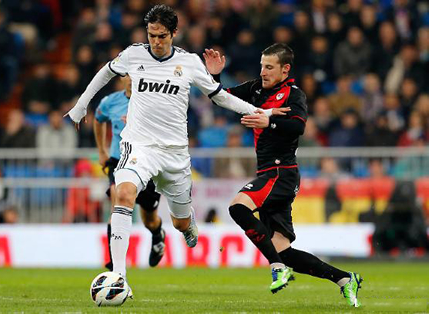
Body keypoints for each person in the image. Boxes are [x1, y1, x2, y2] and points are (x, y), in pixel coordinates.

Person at [65, 5, 286, 294]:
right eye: (152, 35)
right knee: (123, 193)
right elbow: (104, 74)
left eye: (162, 36)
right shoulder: (134, 54)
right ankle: (119, 276)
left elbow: (219, 97)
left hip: (175, 154)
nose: (156, 42)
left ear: (174, 34)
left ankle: (188, 221)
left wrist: (260, 112)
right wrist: (81, 106)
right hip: (139, 146)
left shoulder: (189, 62)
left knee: (180, 223)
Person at [204, 43, 363, 307]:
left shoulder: (294, 94)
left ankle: (276, 267)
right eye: (262, 66)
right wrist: (216, 76)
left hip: (281, 171)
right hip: (270, 173)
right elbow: (221, 98)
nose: (263, 72)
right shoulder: (255, 88)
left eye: (269, 67)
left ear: (284, 69)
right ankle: (345, 279)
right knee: (283, 249)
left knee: (237, 208)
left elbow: (299, 126)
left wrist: (270, 120)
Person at [93, 75, 166, 269]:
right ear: (122, 78)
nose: (133, 79)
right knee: (117, 199)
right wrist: (102, 150)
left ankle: (158, 235)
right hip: (119, 161)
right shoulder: (110, 102)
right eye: (128, 74)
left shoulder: (154, 101)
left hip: (146, 162)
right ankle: (114, 262)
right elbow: (98, 119)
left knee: (149, 219)